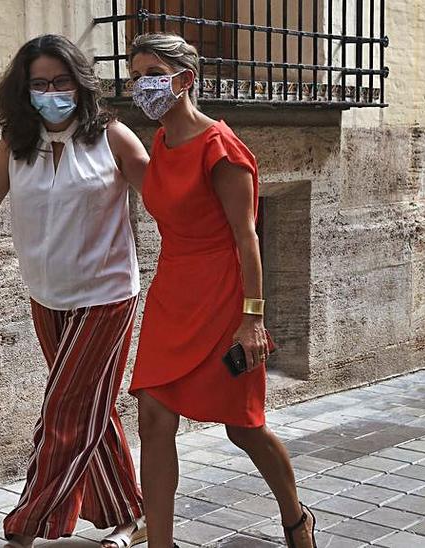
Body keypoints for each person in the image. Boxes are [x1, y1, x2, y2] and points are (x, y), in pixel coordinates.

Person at [126, 33, 317, 548]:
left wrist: (253, 318)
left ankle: (296, 518)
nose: (139, 84)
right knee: (153, 419)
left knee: (244, 426)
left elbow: (247, 235)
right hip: (172, 295)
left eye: (150, 74)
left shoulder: (221, 148)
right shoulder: (160, 143)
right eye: (135, 73)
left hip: (223, 299)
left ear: (184, 80)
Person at [0, 34, 151, 548]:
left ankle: (26, 525)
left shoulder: (112, 137)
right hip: (46, 296)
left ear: (79, 83)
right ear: (23, 91)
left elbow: (164, 197)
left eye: (60, 81)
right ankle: (132, 514)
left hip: (107, 294)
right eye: (39, 84)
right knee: (90, 406)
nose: (51, 92)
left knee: (65, 411)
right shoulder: (17, 145)